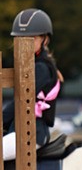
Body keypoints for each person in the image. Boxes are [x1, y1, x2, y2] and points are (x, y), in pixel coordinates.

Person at [2, 8, 61, 161]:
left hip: (31, 133)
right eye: (21, 39)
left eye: (32, 39)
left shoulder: (41, 68)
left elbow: (20, 102)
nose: (25, 44)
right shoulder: (29, 65)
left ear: (45, 40)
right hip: (19, 130)